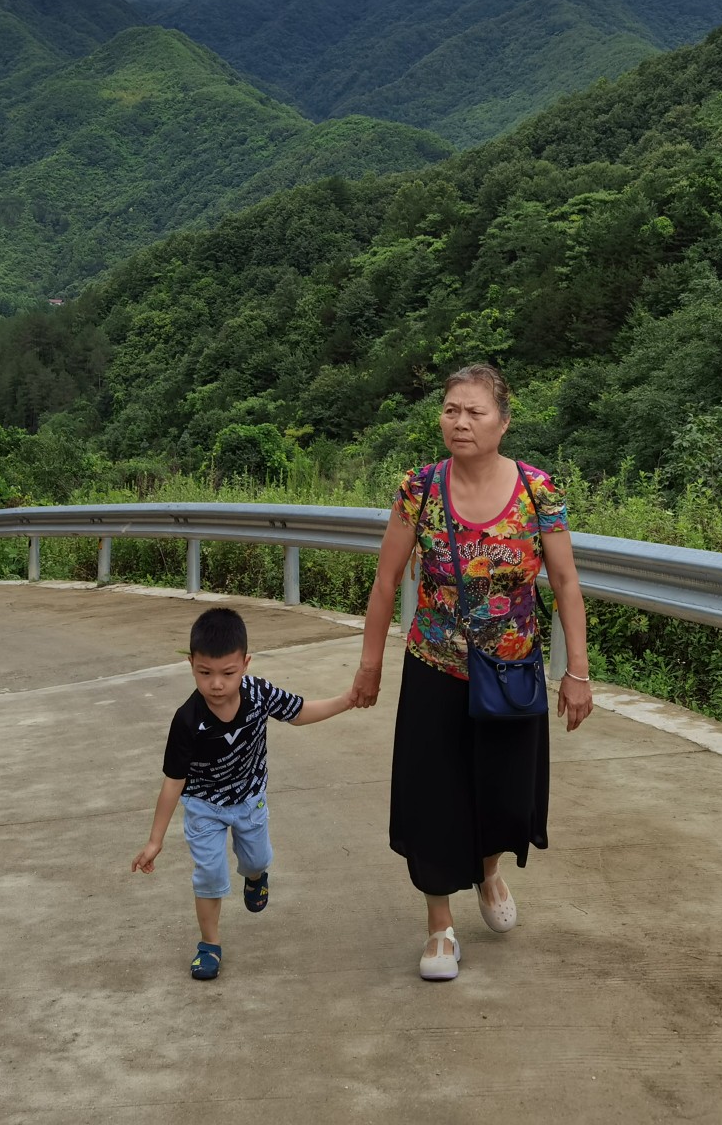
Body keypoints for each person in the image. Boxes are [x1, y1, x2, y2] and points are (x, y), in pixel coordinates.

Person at [350, 363, 594, 980]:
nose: (460, 422)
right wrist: (371, 661)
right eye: (451, 410)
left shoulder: (539, 491)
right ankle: (439, 928)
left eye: (475, 412)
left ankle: (488, 872)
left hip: (512, 670)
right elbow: (385, 582)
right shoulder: (420, 489)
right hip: (434, 666)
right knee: (433, 796)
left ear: (503, 423)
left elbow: (565, 583)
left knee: (502, 790)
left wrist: (578, 672)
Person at [130, 606, 358, 980]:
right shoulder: (187, 720)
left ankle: (255, 877)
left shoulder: (259, 694)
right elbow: (173, 781)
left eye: (227, 673)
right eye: (205, 673)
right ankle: (210, 945)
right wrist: (155, 840)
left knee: (255, 860)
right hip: (204, 806)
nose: (216, 684)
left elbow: (299, 711)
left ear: (245, 663)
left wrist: (345, 700)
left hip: (249, 799)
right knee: (209, 874)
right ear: (191, 665)